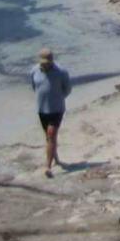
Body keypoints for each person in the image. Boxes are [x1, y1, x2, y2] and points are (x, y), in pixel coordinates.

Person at [31, 47, 72, 177]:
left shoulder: (61, 72)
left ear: (52, 61)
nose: (45, 65)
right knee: (49, 138)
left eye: (47, 63)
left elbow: (67, 89)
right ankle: (56, 159)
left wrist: (57, 98)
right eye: (43, 63)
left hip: (56, 109)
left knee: (51, 134)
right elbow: (34, 87)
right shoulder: (34, 71)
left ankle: (47, 167)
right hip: (42, 109)